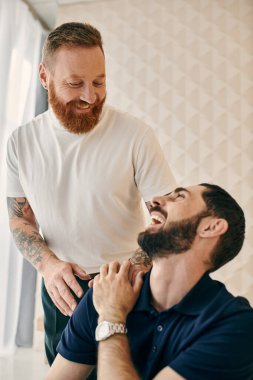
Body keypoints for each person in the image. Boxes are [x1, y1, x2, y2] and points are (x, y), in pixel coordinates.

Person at [6, 22, 176, 366]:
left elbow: (167, 217)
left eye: (99, 82)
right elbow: (19, 219)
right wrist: (49, 267)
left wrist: (131, 275)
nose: (90, 96)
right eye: (75, 84)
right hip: (61, 287)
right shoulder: (20, 142)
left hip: (129, 286)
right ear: (44, 76)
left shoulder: (136, 135)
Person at [46, 183, 253, 380]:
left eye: (179, 196)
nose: (155, 200)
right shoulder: (108, 291)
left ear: (211, 227)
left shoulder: (235, 324)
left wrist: (112, 316)